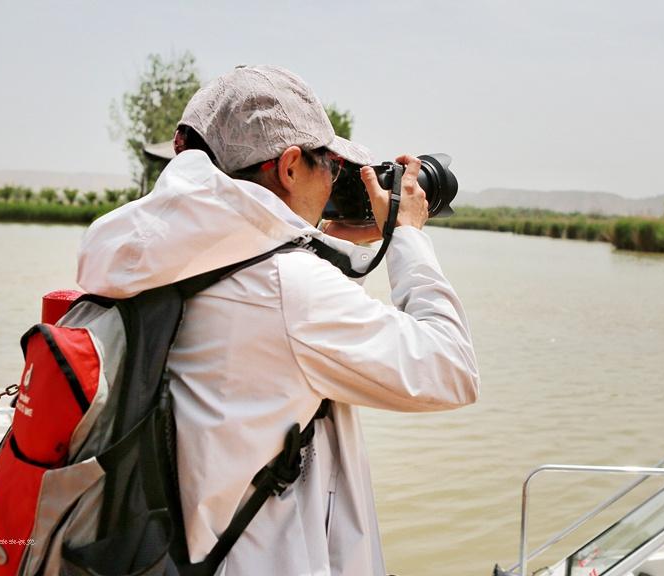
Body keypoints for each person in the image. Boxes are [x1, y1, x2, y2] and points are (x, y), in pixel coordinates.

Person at [76, 65, 480, 575]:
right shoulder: (288, 289)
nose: (336, 181)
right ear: (290, 168)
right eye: (330, 165)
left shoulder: (154, 257)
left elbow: (272, 343)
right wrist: (407, 236)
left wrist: (325, 244)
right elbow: (452, 370)